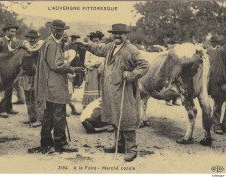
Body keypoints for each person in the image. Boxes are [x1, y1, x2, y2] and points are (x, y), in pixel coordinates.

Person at [77, 24, 149, 161]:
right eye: (115, 33)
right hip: (110, 89)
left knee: (126, 117)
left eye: (120, 33)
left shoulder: (131, 50)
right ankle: (119, 145)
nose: (117, 36)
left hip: (124, 90)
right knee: (114, 117)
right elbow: (98, 49)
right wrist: (85, 44)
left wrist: (131, 74)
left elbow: (144, 65)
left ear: (126, 35)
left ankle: (131, 149)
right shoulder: (111, 47)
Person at [29, 20, 84, 154]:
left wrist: (63, 43)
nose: (61, 33)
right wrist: (72, 68)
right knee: (59, 114)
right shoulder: (52, 44)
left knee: (49, 115)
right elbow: (57, 65)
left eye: (62, 30)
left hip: (50, 84)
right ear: (52, 30)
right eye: (58, 30)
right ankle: (61, 143)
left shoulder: (50, 42)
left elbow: (54, 60)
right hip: (54, 85)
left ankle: (46, 143)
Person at [0, 23, 23, 118]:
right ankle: (2, 109)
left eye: (14, 31)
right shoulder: (0, 42)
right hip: (1, 69)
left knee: (10, 88)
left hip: (12, 70)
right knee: (3, 89)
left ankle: (9, 108)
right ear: (6, 31)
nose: (13, 33)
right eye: (11, 31)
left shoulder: (16, 42)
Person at [22, 30, 44, 127]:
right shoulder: (25, 47)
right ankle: (31, 116)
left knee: (37, 96)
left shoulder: (41, 47)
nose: (32, 40)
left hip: (37, 74)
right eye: (30, 38)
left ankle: (40, 118)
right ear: (28, 38)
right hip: (27, 74)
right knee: (27, 96)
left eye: (34, 38)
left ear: (38, 38)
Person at [82, 31, 105, 108]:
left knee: (101, 89)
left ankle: (101, 108)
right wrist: (94, 64)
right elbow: (86, 63)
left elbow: (106, 60)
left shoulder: (103, 49)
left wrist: (102, 64)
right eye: (94, 41)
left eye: (97, 41)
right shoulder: (89, 50)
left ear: (100, 40)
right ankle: (90, 108)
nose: (96, 42)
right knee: (92, 89)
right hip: (92, 72)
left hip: (102, 72)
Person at [209, 40, 226, 135]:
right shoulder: (220, 51)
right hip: (221, 82)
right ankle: (215, 125)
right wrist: (222, 82)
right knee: (218, 103)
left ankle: (224, 125)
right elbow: (218, 69)